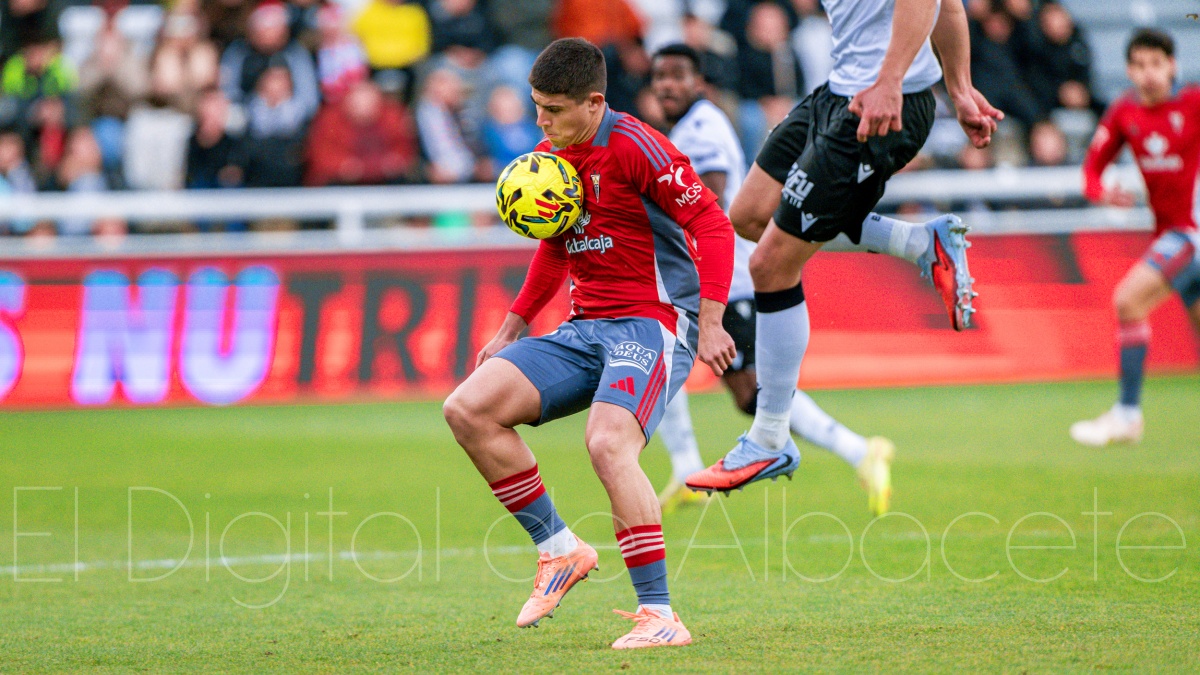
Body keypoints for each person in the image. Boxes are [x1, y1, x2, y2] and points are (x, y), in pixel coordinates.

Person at [442, 38, 735, 649]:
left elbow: (711, 223)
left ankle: (660, 615)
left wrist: (710, 321)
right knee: (468, 408)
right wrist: (511, 328)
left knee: (607, 443)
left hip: (653, 322)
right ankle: (560, 549)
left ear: (594, 103)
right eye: (537, 107)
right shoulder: (557, 155)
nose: (540, 122)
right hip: (585, 328)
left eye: (553, 110)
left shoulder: (638, 147)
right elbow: (556, 244)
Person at [687, 0, 1003, 494]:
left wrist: (892, 81)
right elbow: (948, 6)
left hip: (883, 105)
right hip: (837, 96)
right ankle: (921, 242)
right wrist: (960, 89)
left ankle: (769, 438)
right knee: (748, 216)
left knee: (770, 265)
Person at [649, 43, 896, 516]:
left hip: (729, 278)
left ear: (699, 82)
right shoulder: (686, 128)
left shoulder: (702, 126)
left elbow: (710, 194)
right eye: (660, 76)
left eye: (678, 75)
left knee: (749, 390)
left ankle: (858, 449)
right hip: (706, 277)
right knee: (673, 361)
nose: (667, 85)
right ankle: (686, 467)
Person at [1069, 29, 1200, 446]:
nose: (1149, 73)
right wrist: (1103, 192)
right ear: (1128, 70)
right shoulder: (1125, 112)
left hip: (1190, 234)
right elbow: (1091, 172)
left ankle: (1127, 415)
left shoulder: (1194, 104)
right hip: (1171, 235)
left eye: (1156, 64)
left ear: (1172, 66)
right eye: (1140, 65)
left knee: (1128, 301)